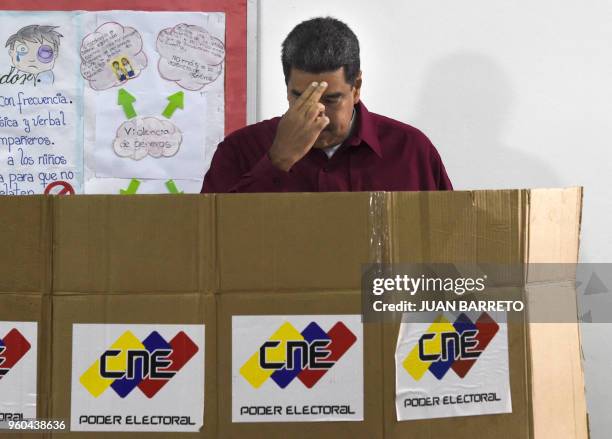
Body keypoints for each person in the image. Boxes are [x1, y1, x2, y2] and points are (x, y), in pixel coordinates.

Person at [202, 17, 452, 193]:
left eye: (331, 99)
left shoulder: (411, 151)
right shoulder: (239, 150)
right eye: (301, 98)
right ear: (286, 87)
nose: (316, 113)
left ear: (356, 88)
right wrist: (277, 160)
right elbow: (211, 243)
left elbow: (446, 243)